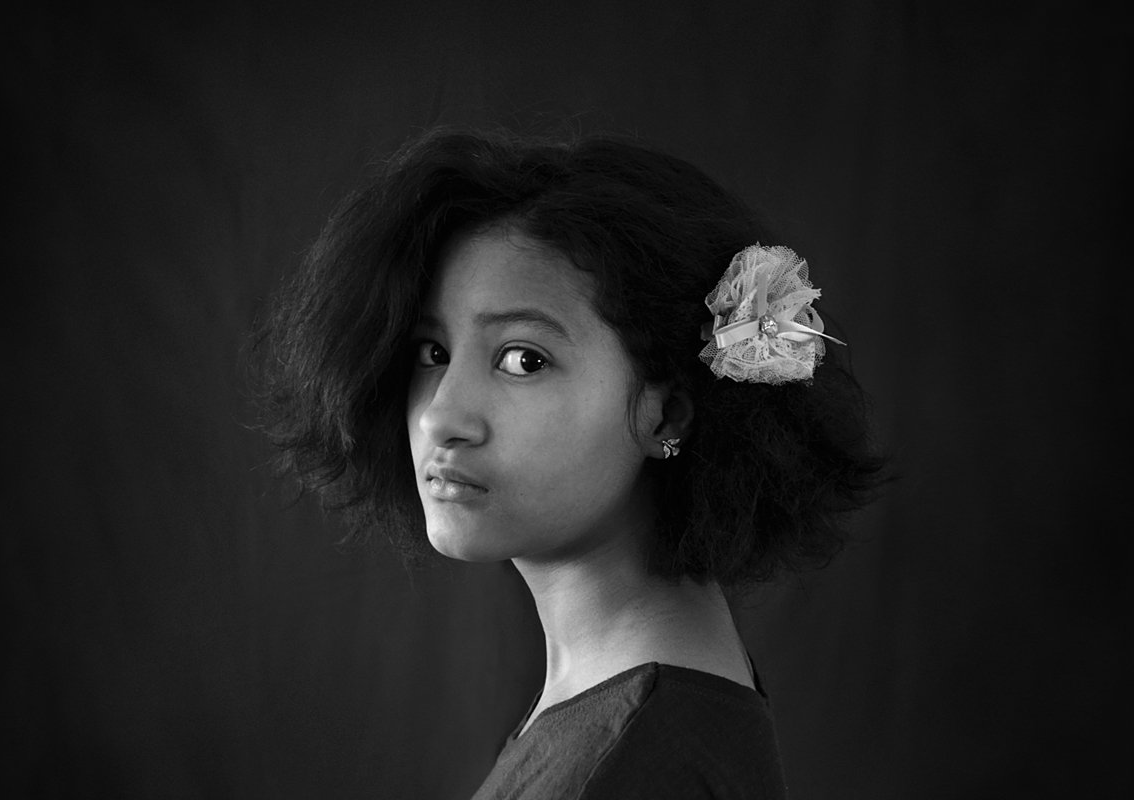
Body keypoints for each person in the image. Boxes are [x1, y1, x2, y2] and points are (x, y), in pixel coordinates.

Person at [256, 127, 885, 799]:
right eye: (433, 353)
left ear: (667, 415)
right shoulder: (633, 694)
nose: (440, 416)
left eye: (523, 359)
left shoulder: (628, 763)